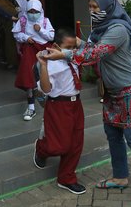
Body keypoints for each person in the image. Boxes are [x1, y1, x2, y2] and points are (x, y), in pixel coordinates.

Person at [44, 0, 131, 207]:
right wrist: (78, 43)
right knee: (113, 135)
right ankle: (120, 176)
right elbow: (94, 48)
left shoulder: (118, 29)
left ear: (108, 7)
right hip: (114, 91)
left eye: (96, 7)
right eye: (90, 7)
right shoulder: (104, 28)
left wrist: (66, 53)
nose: (93, 11)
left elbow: (97, 54)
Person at [33, 29, 86, 194]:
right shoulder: (50, 63)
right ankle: (41, 148)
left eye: (73, 47)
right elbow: (46, 89)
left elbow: (90, 50)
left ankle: (66, 178)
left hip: (76, 104)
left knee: (76, 144)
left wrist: (78, 44)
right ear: (55, 46)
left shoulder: (75, 58)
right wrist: (43, 65)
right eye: (67, 47)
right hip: (58, 106)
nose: (71, 50)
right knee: (59, 146)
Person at [12, 0, 55, 121]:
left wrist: (40, 30)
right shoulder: (23, 20)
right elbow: (16, 34)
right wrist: (26, 37)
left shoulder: (45, 21)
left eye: (35, 11)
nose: (32, 13)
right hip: (30, 49)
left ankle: (51, 105)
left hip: (43, 49)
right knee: (28, 74)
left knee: (49, 75)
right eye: (30, 11)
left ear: (40, 11)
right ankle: (31, 107)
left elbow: (51, 36)